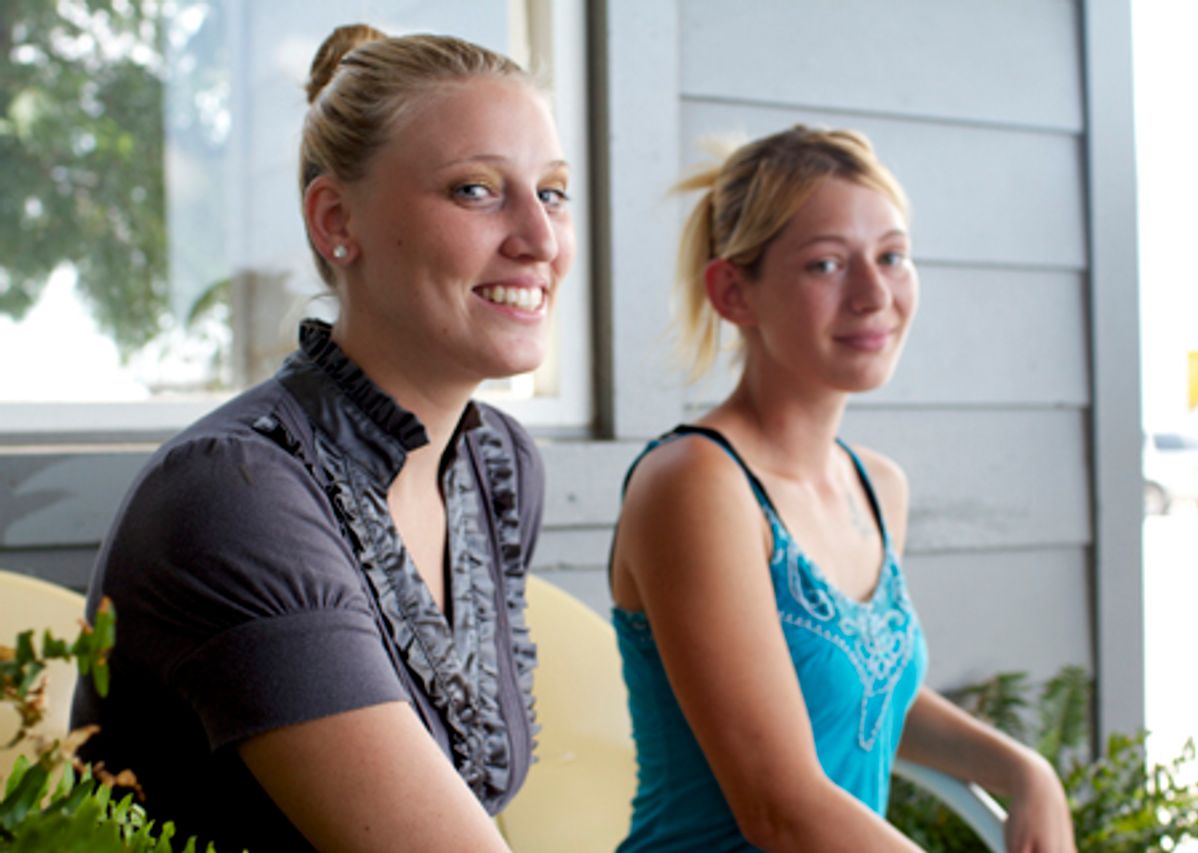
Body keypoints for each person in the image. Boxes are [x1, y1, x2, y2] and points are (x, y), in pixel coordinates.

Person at [72, 23, 574, 852]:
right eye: (476, 190)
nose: (541, 240)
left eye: (552, 192)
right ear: (337, 218)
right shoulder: (236, 493)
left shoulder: (496, 465)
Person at [609, 126, 1075, 852]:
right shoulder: (696, 484)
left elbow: (858, 697)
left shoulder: (877, 486)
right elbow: (780, 808)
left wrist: (1022, 770)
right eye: (826, 264)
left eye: (892, 256)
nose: (874, 294)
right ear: (733, 292)